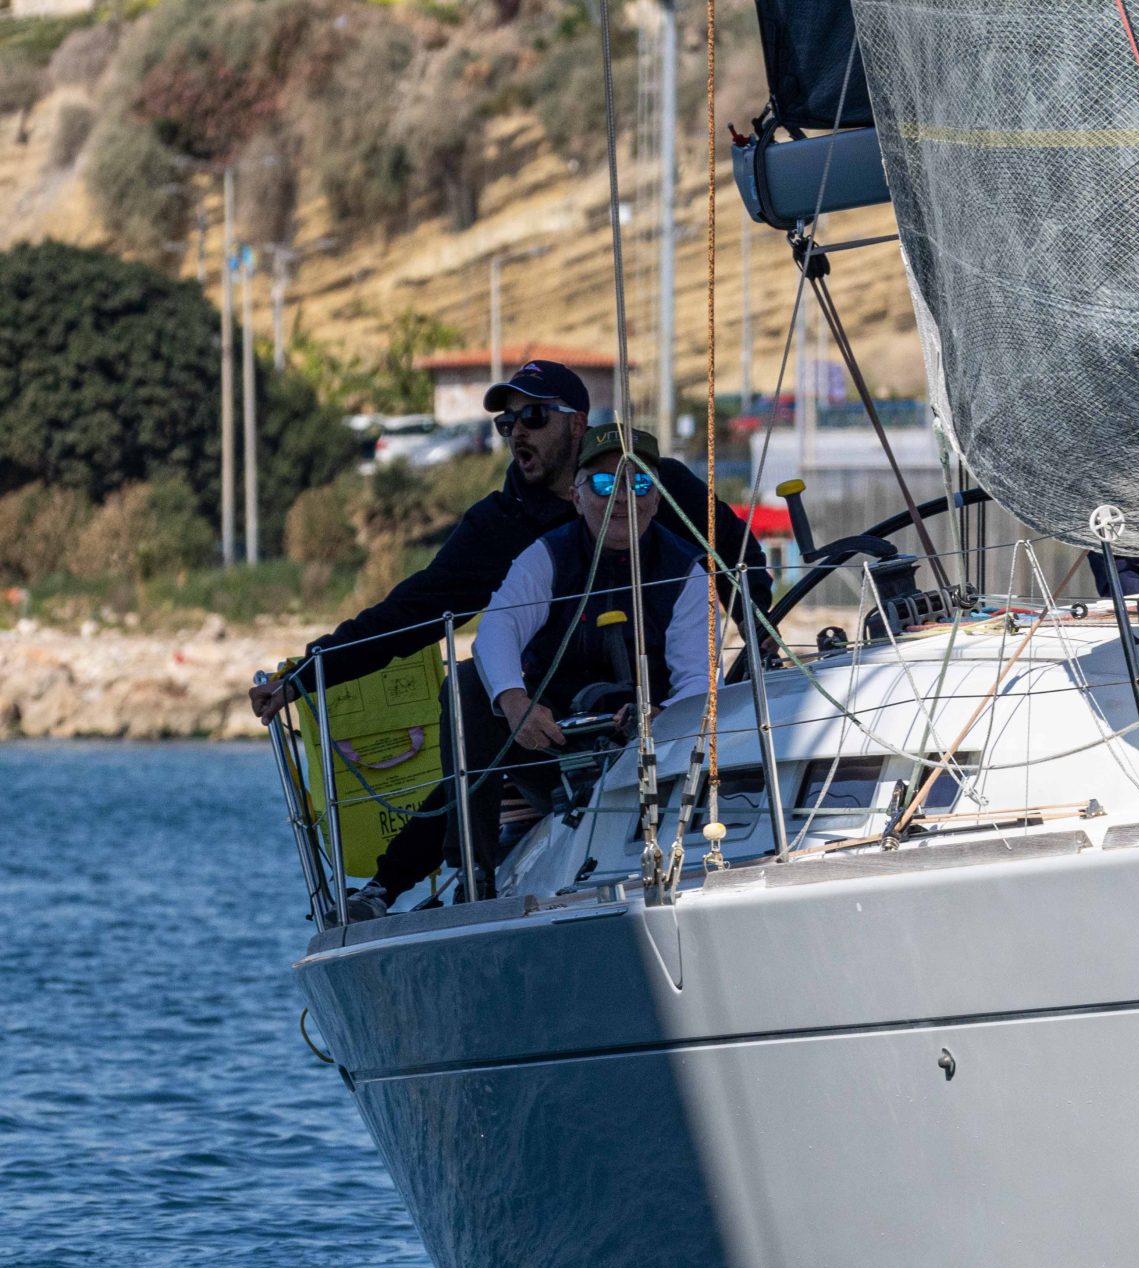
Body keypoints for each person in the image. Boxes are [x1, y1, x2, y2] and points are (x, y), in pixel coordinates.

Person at [252, 359, 764, 919]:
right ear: (578, 497)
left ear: (576, 423)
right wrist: (307, 675)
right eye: (507, 422)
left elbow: (738, 557)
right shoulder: (503, 528)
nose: (517, 431)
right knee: (471, 693)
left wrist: (762, 640)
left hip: (655, 716)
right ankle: (459, 877)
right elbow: (410, 612)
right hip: (547, 725)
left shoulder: (659, 488)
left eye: (533, 416)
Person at [476, 426, 712, 757]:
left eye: (639, 484)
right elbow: (498, 626)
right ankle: (488, 794)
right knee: (469, 682)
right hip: (550, 735)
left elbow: (698, 680)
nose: (622, 497)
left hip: (649, 741)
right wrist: (514, 701)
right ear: (577, 498)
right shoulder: (546, 556)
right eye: (604, 484)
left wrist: (661, 718)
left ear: (657, 499)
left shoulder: (688, 572)